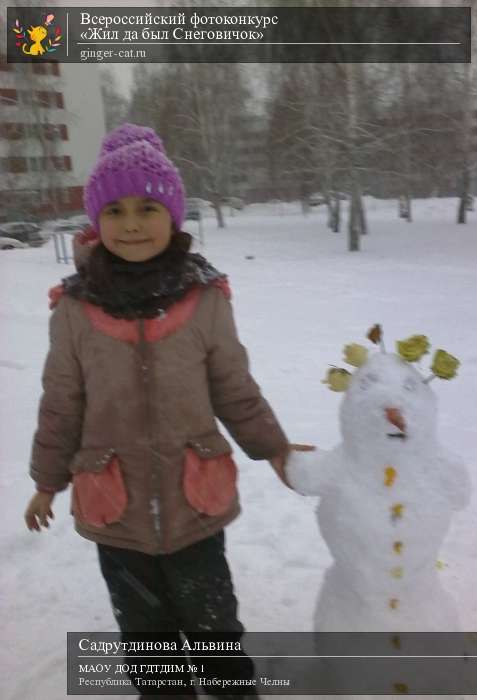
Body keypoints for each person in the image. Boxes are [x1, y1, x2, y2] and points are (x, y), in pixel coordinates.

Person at [23, 123, 313, 699]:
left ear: (174, 215)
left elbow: (234, 386)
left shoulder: (204, 300)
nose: (131, 223)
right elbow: (62, 402)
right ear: (96, 219)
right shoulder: (76, 310)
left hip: (194, 502)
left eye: (148, 207)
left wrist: (274, 448)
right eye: (117, 210)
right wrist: (46, 481)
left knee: (213, 630)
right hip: (116, 510)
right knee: (147, 638)